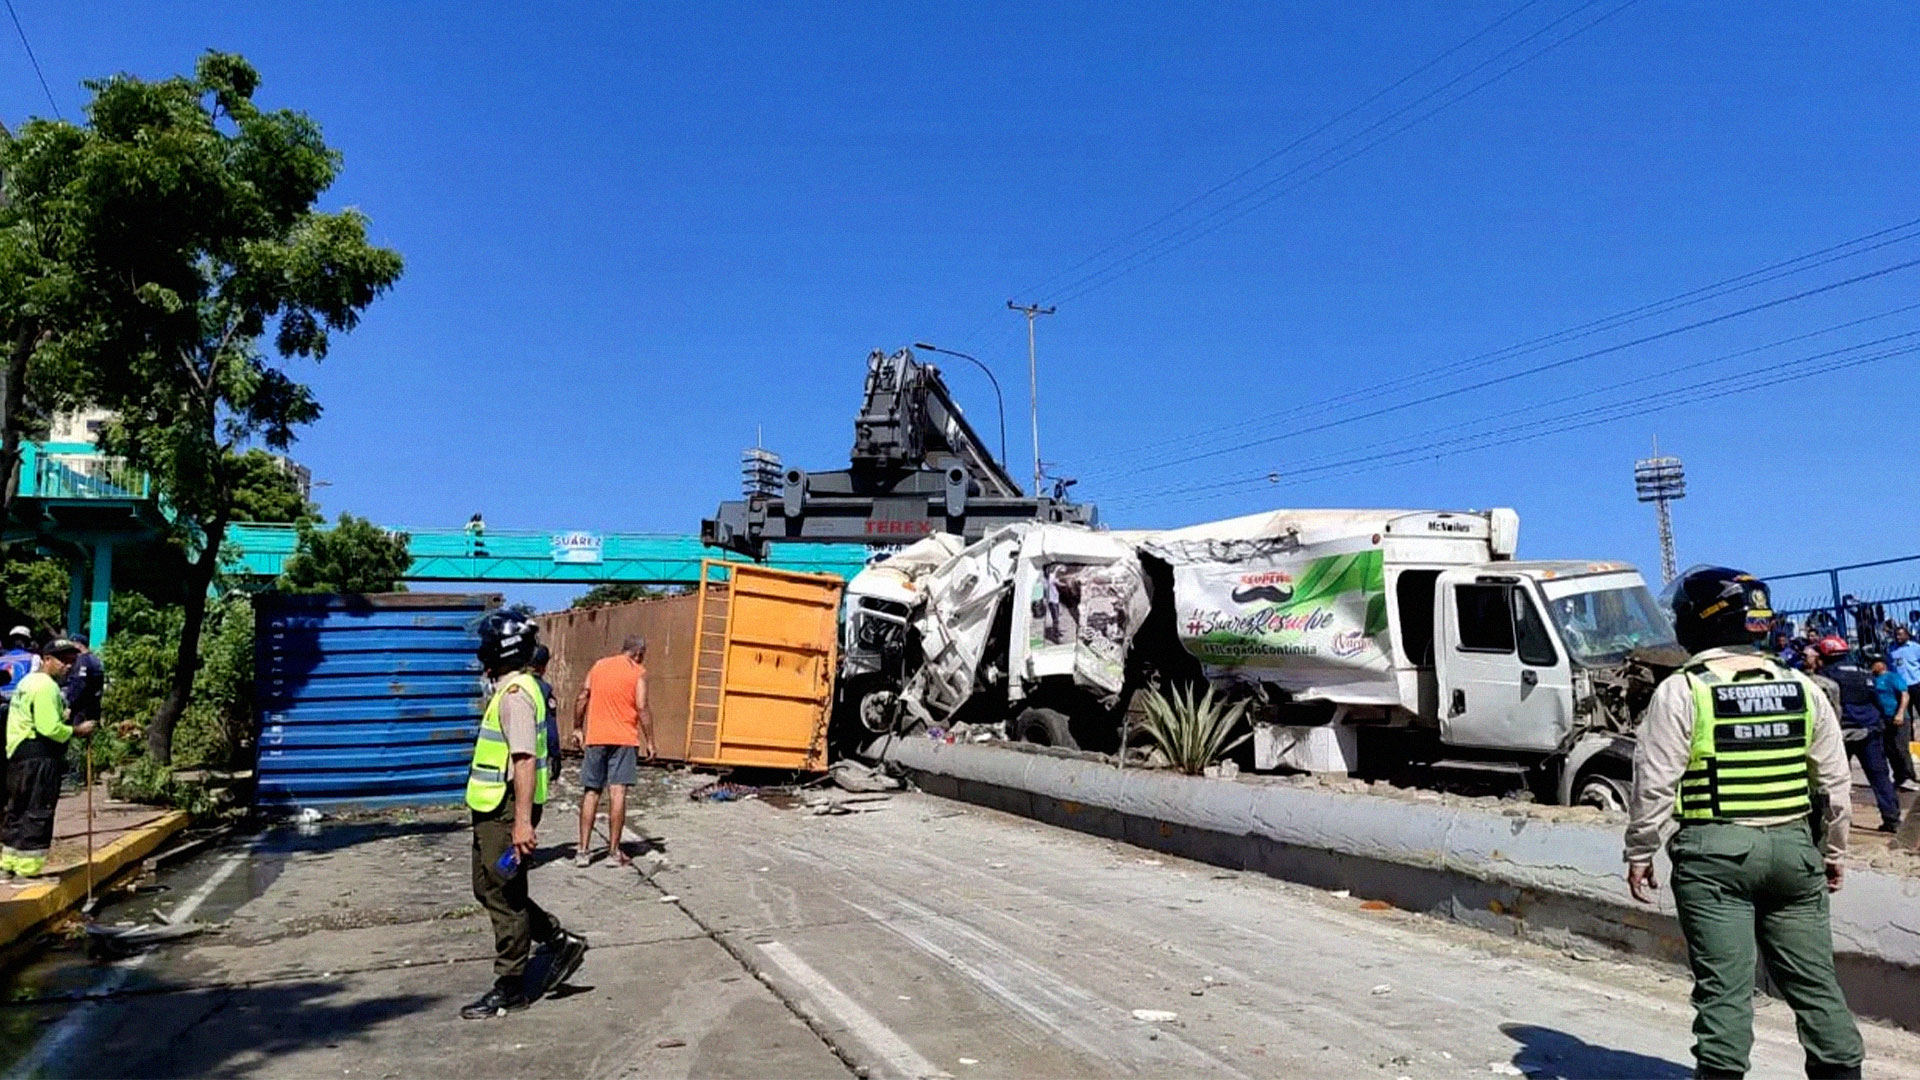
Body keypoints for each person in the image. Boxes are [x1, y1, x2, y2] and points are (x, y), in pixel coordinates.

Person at [1625, 566, 1862, 1079]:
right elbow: (1836, 787)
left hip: (1715, 856)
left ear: (1697, 623)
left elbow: (1654, 784)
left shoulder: (1684, 690)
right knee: (1817, 987)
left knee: (1725, 994)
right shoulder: (1803, 687)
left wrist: (1640, 851)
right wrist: (1835, 854)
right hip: (1796, 851)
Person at [461, 612, 587, 1020]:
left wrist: (522, 823)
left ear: (503, 648)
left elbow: (524, 761)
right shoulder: (511, 687)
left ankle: (510, 984)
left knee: (505, 894)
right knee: (487, 887)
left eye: (487, 641)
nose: (481, 648)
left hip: (503, 811)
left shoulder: (516, 694)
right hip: (490, 808)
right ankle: (555, 937)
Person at [2, 639, 92, 878]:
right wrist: (77, 730)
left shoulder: (27, 683)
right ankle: (28, 871)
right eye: (63, 661)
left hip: (19, 754)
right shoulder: (46, 687)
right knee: (38, 811)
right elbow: (49, 728)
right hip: (39, 757)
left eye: (72, 661)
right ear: (47, 659)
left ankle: (8, 865)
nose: (68, 666)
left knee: (17, 811)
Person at [571, 635, 652, 869]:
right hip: (624, 739)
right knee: (617, 793)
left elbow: (582, 696)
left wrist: (578, 727)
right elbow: (642, 707)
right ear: (638, 653)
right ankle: (613, 852)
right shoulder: (637, 672)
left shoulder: (599, 666)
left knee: (591, 792)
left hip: (596, 737)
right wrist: (651, 742)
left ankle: (583, 852)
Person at [1816, 634, 1902, 832]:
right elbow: (1877, 702)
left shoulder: (1825, 677)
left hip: (1840, 734)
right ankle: (1892, 820)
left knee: (1833, 780)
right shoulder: (1864, 673)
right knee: (1880, 777)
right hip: (1869, 731)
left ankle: (1830, 823)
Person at [1871, 658, 1915, 791]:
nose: (1871, 666)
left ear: (1881, 664)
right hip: (1883, 718)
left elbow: (1904, 695)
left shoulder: (1893, 677)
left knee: (1900, 748)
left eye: (1874, 663)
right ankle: (1899, 777)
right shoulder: (1872, 680)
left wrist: (1900, 713)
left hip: (1898, 717)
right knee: (1889, 749)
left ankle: (1909, 776)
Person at [530, 645, 561, 786]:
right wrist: (556, 755)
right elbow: (551, 727)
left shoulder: (511, 684)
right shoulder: (544, 690)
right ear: (544, 666)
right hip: (534, 752)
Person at [0, 627, 38, 705]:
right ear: (28, 641)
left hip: (2, 701)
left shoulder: (1, 659)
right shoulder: (34, 658)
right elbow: (33, 680)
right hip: (22, 702)